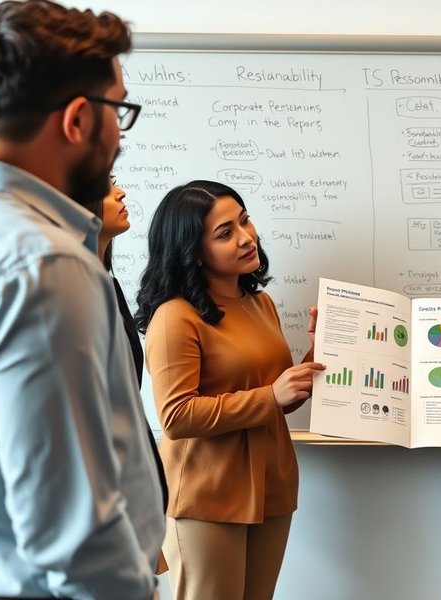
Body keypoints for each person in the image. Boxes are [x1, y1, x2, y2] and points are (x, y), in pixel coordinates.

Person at [0, 1, 165, 599]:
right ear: (77, 120)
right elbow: (73, 535)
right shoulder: (45, 265)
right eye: (119, 110)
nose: (120, 134)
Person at [134, 180, 325, 600]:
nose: (246, 237)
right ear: (192, 251)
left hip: (272, 488)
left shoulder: (261, 303)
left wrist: (319, 350)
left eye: (245, 220)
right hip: (207, 495)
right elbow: (176, 416)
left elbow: (277, 399)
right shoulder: (175, 317)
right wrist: (271, 396)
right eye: (225, 233)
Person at [84, 177, 169, 513]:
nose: (121, 192)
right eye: (106, 187)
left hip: (131, 476)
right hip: (102, 487)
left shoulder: (110, 286)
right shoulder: (74, 294)